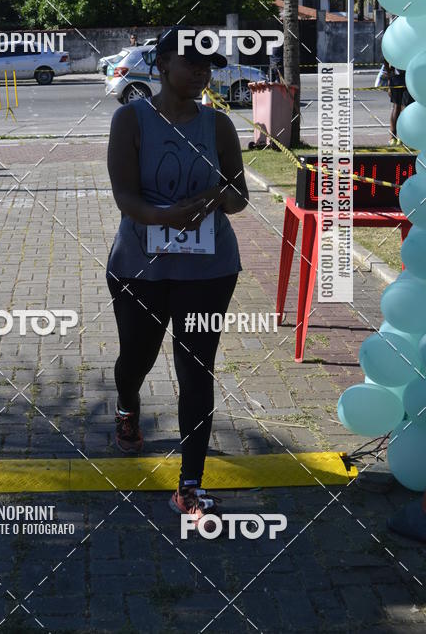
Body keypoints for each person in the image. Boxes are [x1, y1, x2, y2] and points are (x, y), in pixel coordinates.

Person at [106, 26, 248, 523]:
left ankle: (190, 484)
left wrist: (215, 199)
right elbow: (125, 195)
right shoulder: (131, 120)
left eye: (208, 65)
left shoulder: (220, 125)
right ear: (162, 64)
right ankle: (127, 406)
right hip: (139, 268)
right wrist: (169, 216)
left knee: (196, 368)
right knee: (137, 359)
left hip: (209, 270)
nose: (201, 72)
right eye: (191, 62)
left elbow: (239, 196)